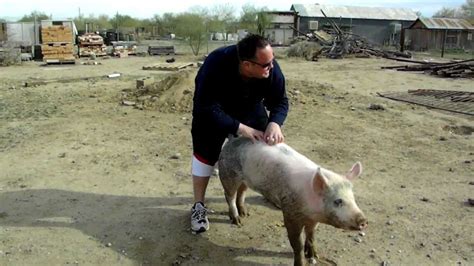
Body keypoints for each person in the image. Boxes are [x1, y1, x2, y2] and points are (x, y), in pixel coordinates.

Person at [190, 34, 289, 233]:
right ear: (246, 65)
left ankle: (248, 194)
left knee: (261, 149)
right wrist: (240, 128)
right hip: (213, 111)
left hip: (250, 107)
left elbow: (280, 101)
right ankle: (198, 206)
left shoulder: (271, 69)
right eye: (266, 64)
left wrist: (275, 123)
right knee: (205, 155)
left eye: (272, 61)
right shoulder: (215, 64)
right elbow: (205, 106)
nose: (272, 66)